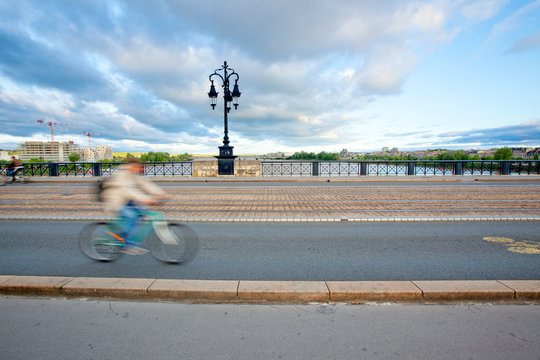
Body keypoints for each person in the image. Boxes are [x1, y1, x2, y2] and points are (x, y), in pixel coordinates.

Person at [101, 157, 169, 255]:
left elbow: (146, 184)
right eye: (136, 167)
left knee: (143, 213)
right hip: (116, 201)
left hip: (127, 200)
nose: (138, 169)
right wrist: (145, 199)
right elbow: (128, 191)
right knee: (131, 216)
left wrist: (161, 193)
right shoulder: (121, 175)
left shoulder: (134, 175)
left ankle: (125, 234)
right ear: (130, 166)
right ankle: (128, 246)